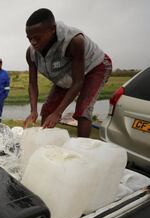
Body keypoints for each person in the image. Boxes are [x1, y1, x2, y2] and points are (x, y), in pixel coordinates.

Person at [23, 8, 112, 137]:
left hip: (94, 67)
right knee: (48, 109)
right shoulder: (31, 53)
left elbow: (78, 82)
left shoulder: (74, 41)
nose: (33, 42)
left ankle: (81, 151)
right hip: (65, 74)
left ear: (52, 29)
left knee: (83, 110)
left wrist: (58, 112)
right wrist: (33, 111)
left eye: (37, 38)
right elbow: (32, 83)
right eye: (29, 38)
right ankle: (44, 145)